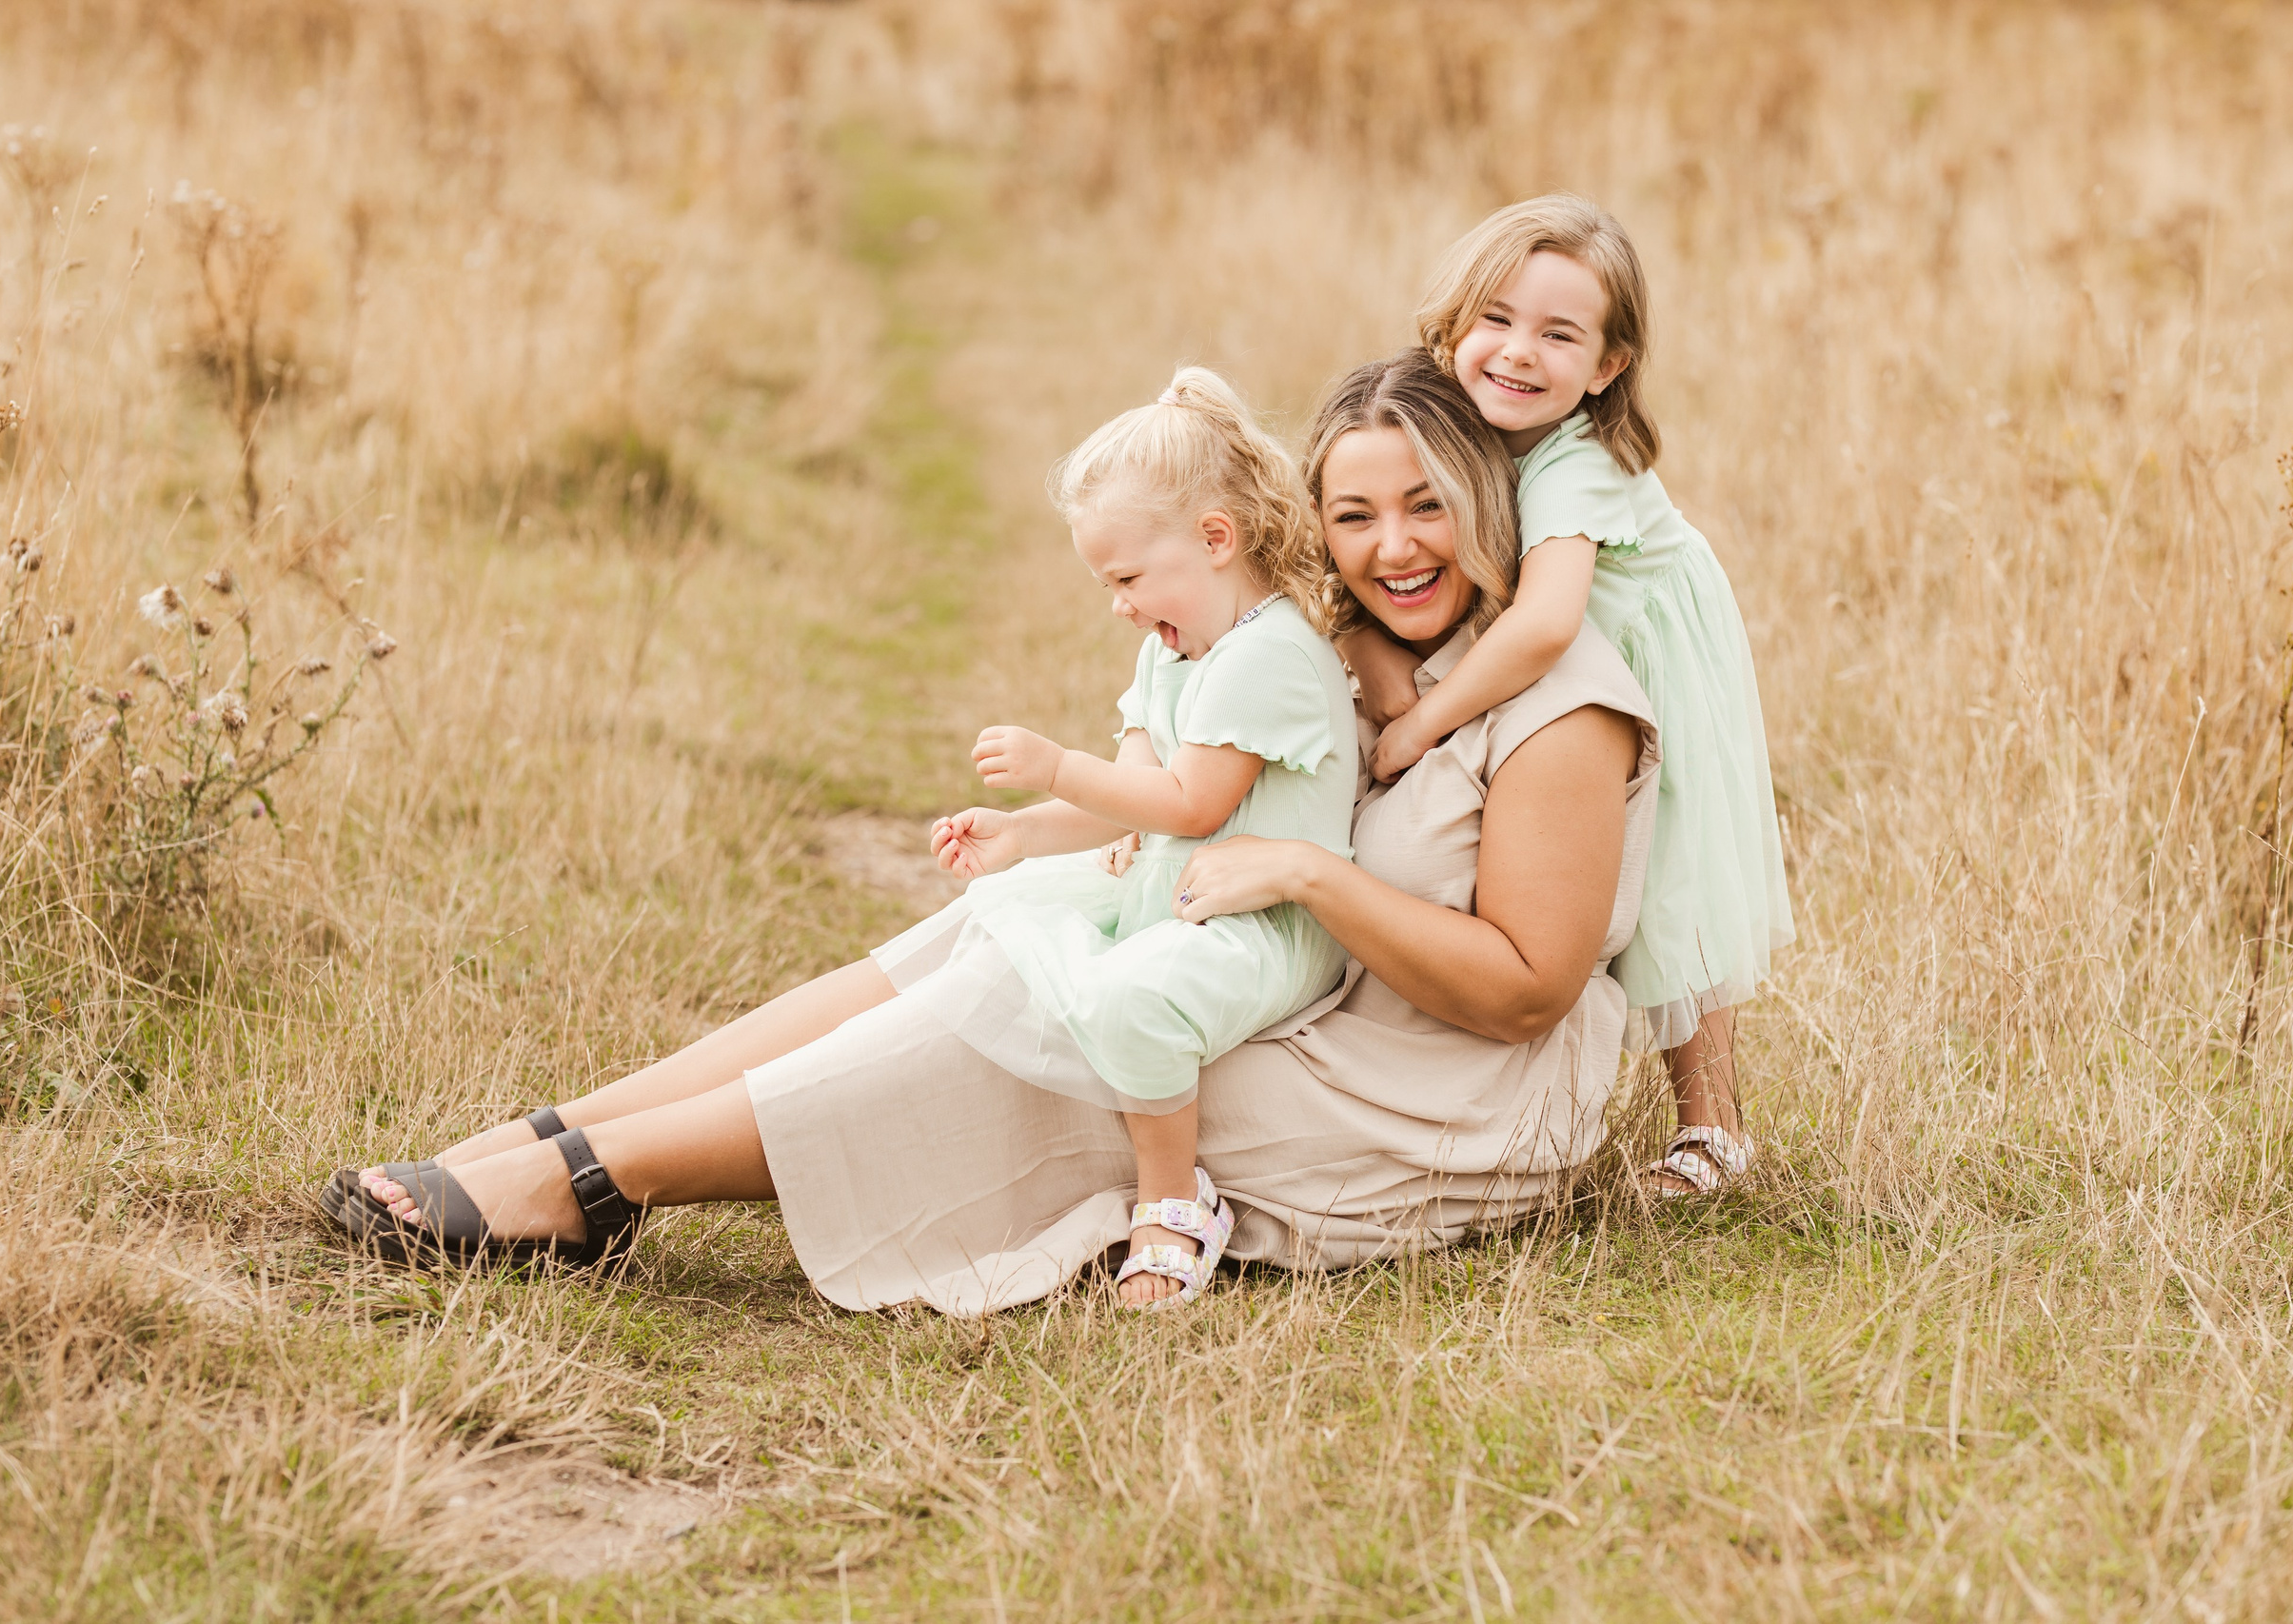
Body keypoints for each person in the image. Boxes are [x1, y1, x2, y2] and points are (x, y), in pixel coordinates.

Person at [324, 350, 1662, 1316]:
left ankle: (597, 1184)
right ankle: (555, 1130)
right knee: (998, 934)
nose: (1394, 546)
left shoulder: (1560, 704)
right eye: (1356, 515)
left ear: (1496, 508)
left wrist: (1307, 867)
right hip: (1288, 977)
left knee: (1064, 1033)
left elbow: (1525, 989)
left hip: (1437, 1085)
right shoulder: (1339, 645)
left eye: (1430, 505)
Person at [1336, 194, 1792, 1199]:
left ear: (1606, 368)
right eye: (1494, 319)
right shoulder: (1470, 428)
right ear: (1452, 323)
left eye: (1558, 334)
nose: (1516, 352)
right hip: (1577, 653)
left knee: (1674, 878)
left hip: (1650, 658)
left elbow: (1544, 625)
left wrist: (1420, 720)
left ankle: (1711, 1125)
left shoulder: (1575, 463)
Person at [917, 365, 1356, 1306]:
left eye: (1125, 575)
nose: (1117, 601)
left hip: (1268, 923)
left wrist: (1052, 764)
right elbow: (1133, 790)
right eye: (1105, 580)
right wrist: (1027, 828)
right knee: (1006, 904)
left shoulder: (1268, 654)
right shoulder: (1172, 645)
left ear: (1214, 538)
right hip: (1177, 887)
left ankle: (1171, 1200)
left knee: (1132, 1001)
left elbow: (1191, 802)